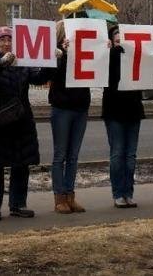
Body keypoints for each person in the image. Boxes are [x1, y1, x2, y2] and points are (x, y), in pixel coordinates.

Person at [0, 26, 50, 220]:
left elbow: (39, 77)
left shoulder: (22, 60)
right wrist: (1, 63)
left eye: (10, 40)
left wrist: (53, 60)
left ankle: (18, 204)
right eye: (3, 40)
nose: (7, 43)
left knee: (21, 163)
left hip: (20, 118)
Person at [46, 21, 90, 214]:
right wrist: (61, 56)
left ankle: (70, 195)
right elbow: (50, 75)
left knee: (73, 156)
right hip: (62, 107)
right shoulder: (55, 53)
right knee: (60, 155)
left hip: (80, 106)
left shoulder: (83, 50)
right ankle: (59, 197)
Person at [103, 25, 147, 208]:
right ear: (112, 42)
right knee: (117, 153)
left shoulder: (134, 57)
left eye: (123, 41)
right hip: (114, 111)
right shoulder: (108, 56)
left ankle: (128, 193)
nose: (121, 45)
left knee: (130, 155)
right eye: (118, 41)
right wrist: (112, 52)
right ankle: (118, 193)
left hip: (133, 110)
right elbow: (105, 74)